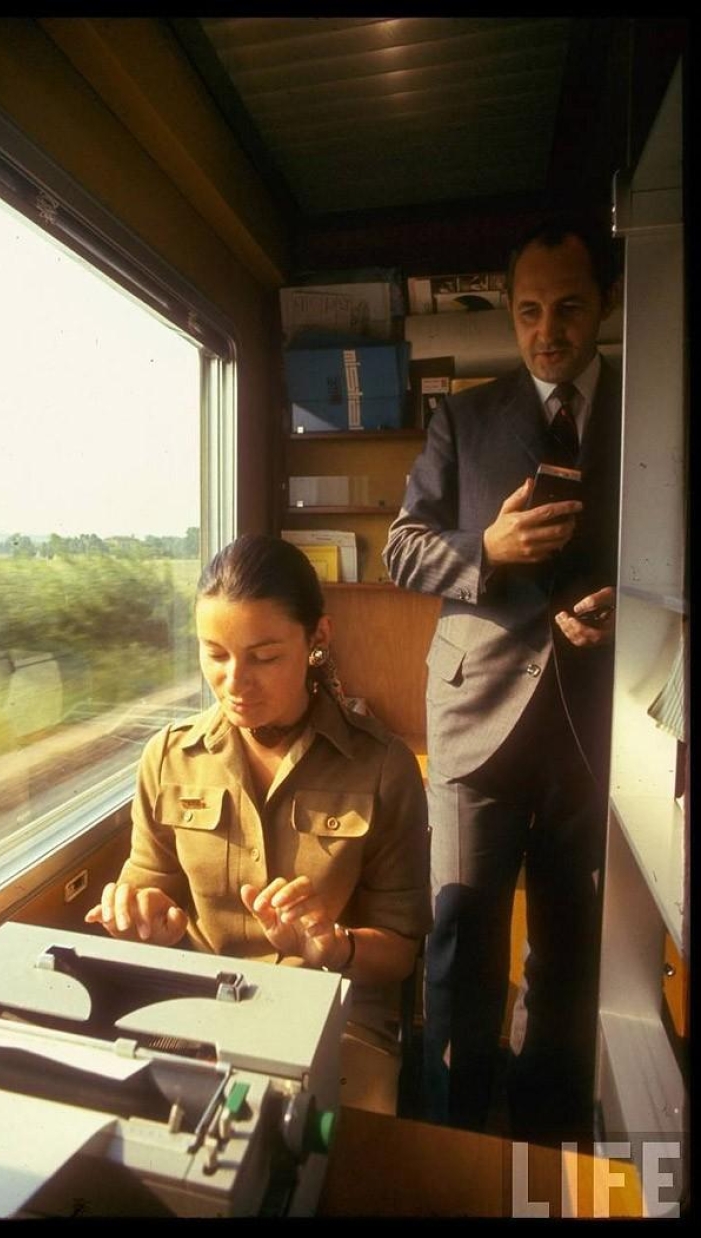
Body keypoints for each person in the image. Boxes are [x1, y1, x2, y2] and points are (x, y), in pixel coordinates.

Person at [383, 218, 622, 1143]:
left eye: (566, 307)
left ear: (601, 304)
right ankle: (453, 1142)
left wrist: (623, 608)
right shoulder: (464, 417)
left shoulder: (653, 410)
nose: (545, 330)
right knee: (459, 945)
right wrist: (481, 549)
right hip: (475, 717)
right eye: (527, 311)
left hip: (596, 726)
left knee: (566, 956)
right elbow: (402, 549)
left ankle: (540, 1152)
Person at [85, 532, 431, 1114]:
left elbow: (398, 952)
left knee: (311, 1152)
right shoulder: (167, 758)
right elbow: (149, 888)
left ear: (317, 639)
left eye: (264, 656)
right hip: (194, 1006)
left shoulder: (383, 766)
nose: (235, 683)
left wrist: (333, 945)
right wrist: (142, 918)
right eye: (214, 655)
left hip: (333, 1011)